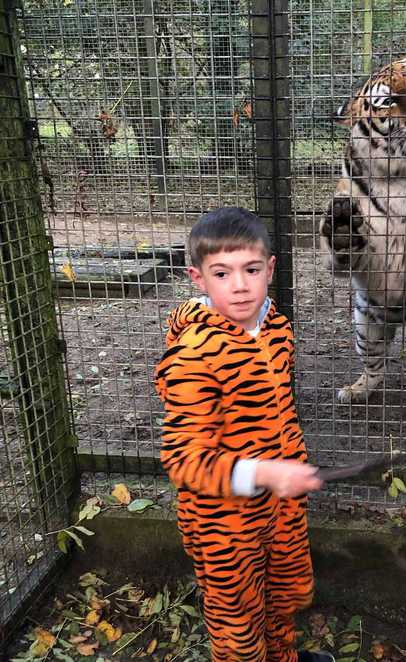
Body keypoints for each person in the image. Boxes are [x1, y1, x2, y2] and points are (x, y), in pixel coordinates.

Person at [154, 207, 334, 662]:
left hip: (280, 505)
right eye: (222, 272)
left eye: (251, 270)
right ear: (198, 278)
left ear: (269, 269)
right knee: (238, 620)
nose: (239, 285)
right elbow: (183, 460)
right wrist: (264, 473)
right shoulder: (193, 356)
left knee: (280, 597)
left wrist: (286, 471)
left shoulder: (277, 330)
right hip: (225, 519)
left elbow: (280, 414)